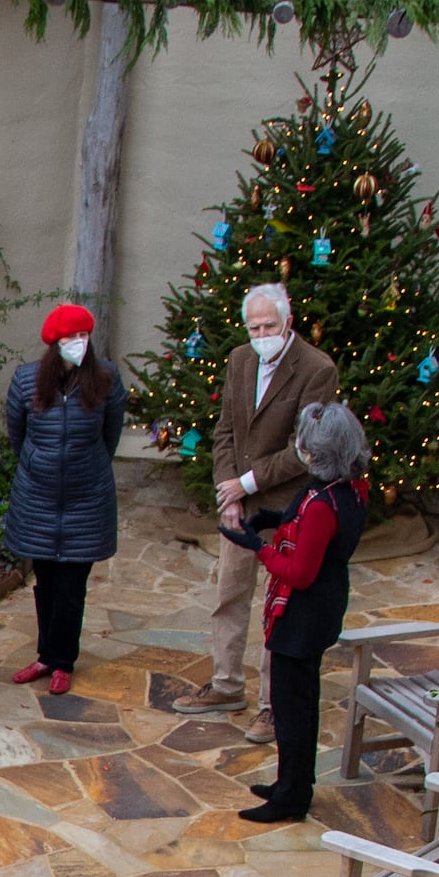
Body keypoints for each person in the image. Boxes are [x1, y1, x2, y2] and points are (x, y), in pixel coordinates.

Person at [166, 283, 340, 737]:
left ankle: (273, 704)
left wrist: (245, 484)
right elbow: (225, 429)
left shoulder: (317, 369)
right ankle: (226, 684)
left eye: (270, 326)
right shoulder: (240, 360)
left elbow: (303, 449)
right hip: (238, 504)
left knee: (278, 607)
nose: (261, 334)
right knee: (229, 595)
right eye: (254, 326)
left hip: (287, 506)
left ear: (288, 323)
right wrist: (229, 492)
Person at [219, 400, 373, 824]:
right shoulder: (344, 488)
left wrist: (258, 548)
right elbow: (300, 521)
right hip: (320, 606)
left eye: (305, 444)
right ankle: (293, 783)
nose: (300, 448)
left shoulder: (324, 503)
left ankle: (291, 797)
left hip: (304, 613)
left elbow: (300, 572)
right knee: (299, 703)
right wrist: (270, 518)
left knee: (292, 708)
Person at [1, 302, 124, 695]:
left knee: (72, 586)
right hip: (38, 499)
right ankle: (45, 654)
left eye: (84, 336)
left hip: (87, 501)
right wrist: (40, 465)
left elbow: (111, 435)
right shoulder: (25, 380)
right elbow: (17, 437)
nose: (78, 343)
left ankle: (63, 660)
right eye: (71, 337)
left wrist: (86, 467)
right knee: (46, 583)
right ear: (54, 344)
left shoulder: (106, 379)